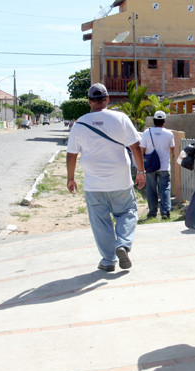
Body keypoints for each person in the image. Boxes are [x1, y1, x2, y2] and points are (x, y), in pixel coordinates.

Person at [66, 83, 147, 272]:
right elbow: (135, 147)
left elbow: (71, 154)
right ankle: (123, 244)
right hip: (120, 181)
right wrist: (141, 172)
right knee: (127, 212)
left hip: (93, 184)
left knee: (100, 222)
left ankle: (108, 260)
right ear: (107, 99)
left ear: (89, 101)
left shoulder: (79, 124)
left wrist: (71, 178)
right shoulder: (120, 118)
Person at [139, 111, 175, 219]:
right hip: (164, 167)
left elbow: (142, 149)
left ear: (154, 121)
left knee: (151, 189)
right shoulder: (169, 134)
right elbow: (172, 149)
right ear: (164, 122)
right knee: (165, 189)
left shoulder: (146, 133)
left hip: (150, 166)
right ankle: (165, 213)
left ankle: (152, 212)